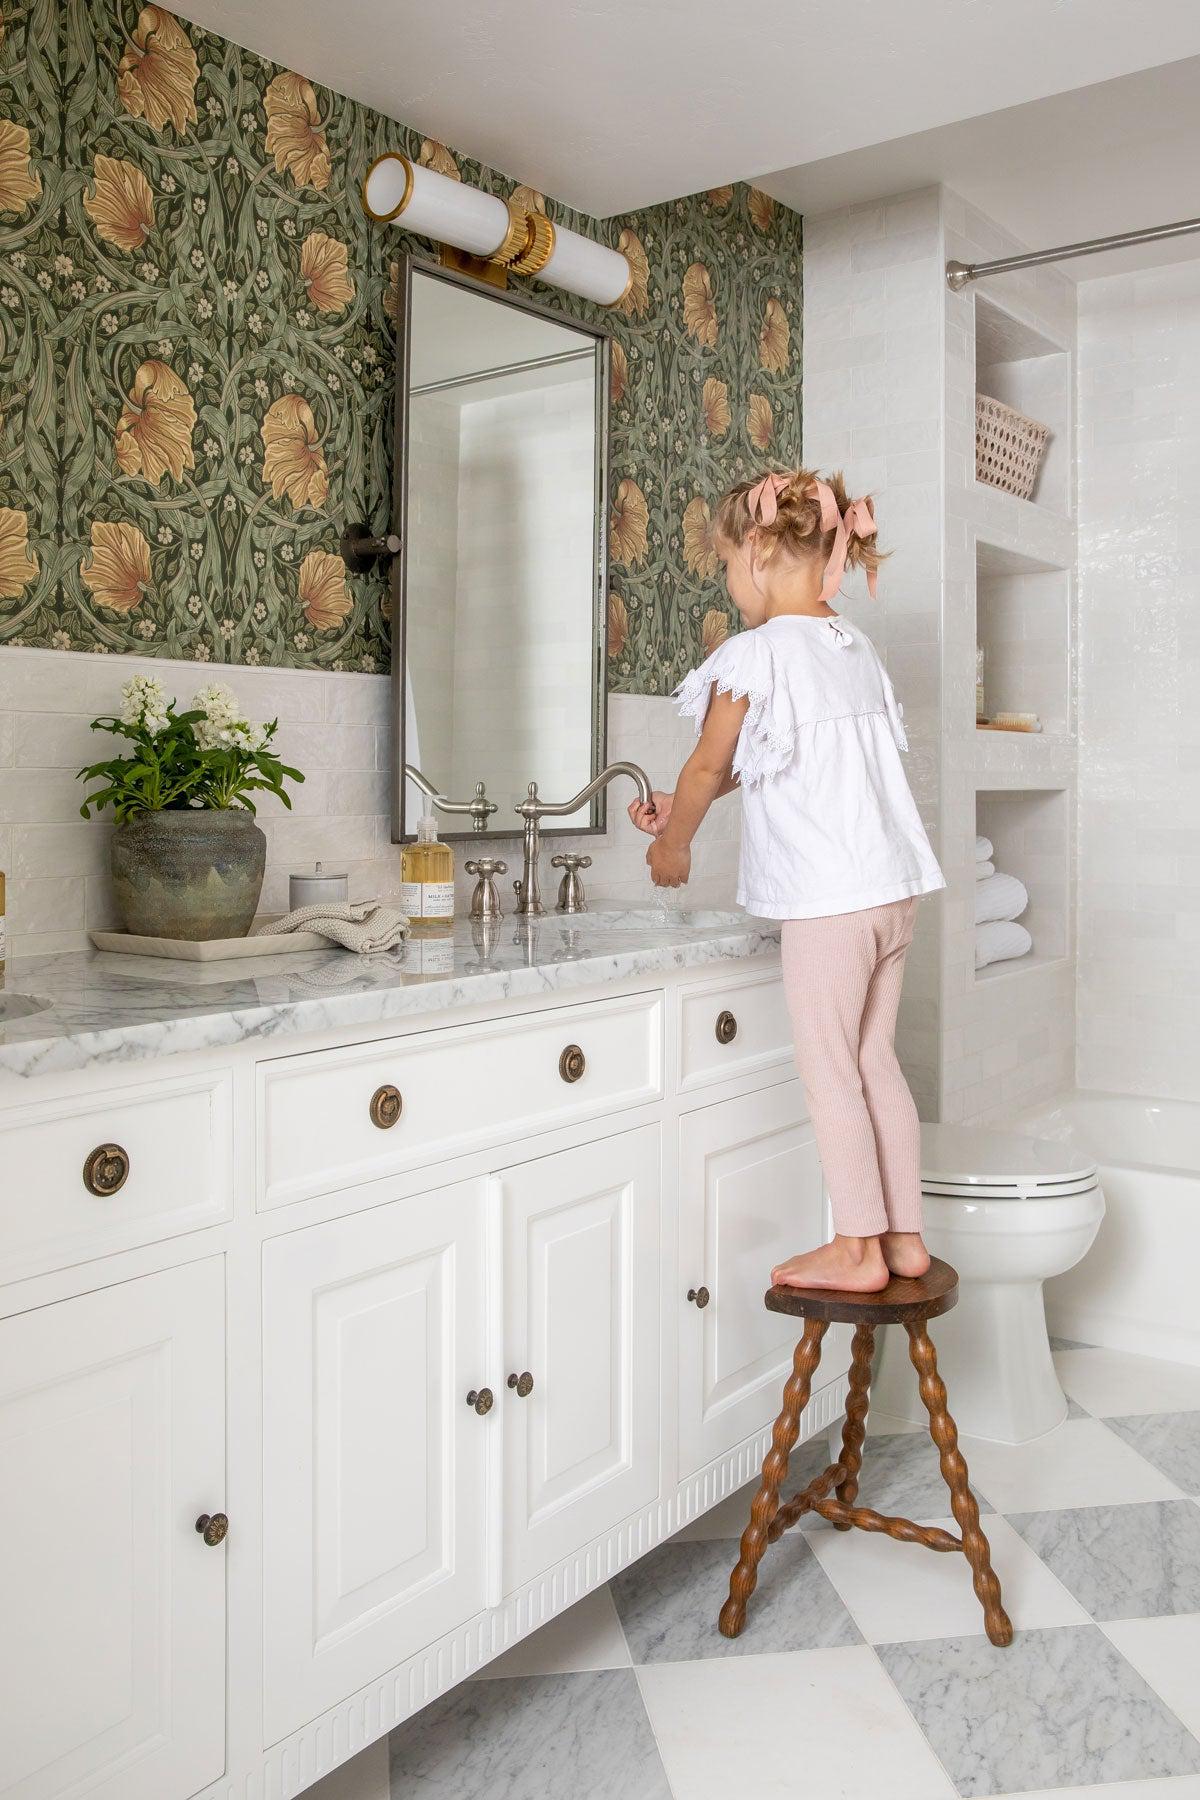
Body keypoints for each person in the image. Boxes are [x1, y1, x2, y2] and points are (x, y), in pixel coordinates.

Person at [629, 468, 945, 1293]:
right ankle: (905, 1237)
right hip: (891, 892)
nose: (733, 586)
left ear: (762, 551)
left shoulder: (754, 652)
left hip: (829, 901)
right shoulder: (852, 647)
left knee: (828, 1066)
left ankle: (855, 1247)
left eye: (731, 566)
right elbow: (775, 757)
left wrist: (676, 845)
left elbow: (707, 763)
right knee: (876, 1057)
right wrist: (682, 803)